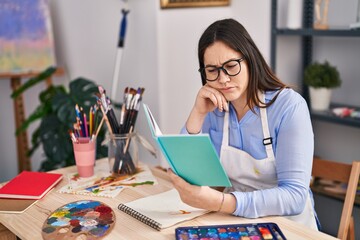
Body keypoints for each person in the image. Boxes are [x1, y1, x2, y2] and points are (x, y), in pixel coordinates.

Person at [167, 18, 319, 230]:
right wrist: (198, 113)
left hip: (288, 226)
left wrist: (222, 202)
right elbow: (185, 173)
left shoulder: (289, 107)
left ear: (250, 59)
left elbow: (294, 197)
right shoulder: (214, 108)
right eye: (212, 70)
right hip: (236, 222)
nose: (223, 79)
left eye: (230, 66)